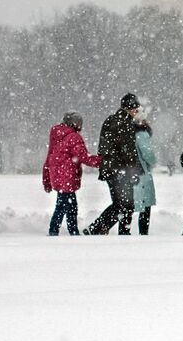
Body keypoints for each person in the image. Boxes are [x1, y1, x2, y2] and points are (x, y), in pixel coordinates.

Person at [83, 93, 142, 235]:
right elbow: (128, 151)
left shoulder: (111, 120)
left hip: (110, 169)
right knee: (126, 205)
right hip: (120, 170)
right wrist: (134, 170)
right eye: (136, 108)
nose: (137, 111)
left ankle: (100, 228)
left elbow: (104, 147)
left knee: (120, 204)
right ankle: (105, 230)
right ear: (130, 108)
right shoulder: (125, 123)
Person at [41, 110, 100, 236]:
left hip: (58, 177)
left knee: (67, 205)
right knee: (66, 207)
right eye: (79, 123)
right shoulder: (74, 137)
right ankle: (59, 232)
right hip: (67, 177)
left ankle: (69, 231)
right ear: (75, 124)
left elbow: (49, 157)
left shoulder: (56, 135)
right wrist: (102, 161)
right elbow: (84, 157)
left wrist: (46, 179)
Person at [132, 116, 158, 236]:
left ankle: (124, 231)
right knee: (145, 206)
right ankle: (143, 233)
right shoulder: (142, 134)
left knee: (129, 205)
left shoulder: (130, 132)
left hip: (131, 172)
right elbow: (147, 153)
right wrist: (153, 162)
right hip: (142, 172)